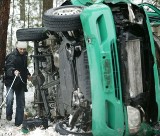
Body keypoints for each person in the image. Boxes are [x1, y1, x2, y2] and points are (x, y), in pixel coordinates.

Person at [4, 41, 31, 126]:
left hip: (20, 82)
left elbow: (24, 68)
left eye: (24, 49)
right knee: (10, 99)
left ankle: (18, 123)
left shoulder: (25, 56)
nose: (22, 51)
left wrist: (28, 74)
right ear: (17, 48)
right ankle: (8, 114)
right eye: (21, 49)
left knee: (20, 102)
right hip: (11, 81)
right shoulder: (11, 56)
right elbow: (8, 68)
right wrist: (13, 71)